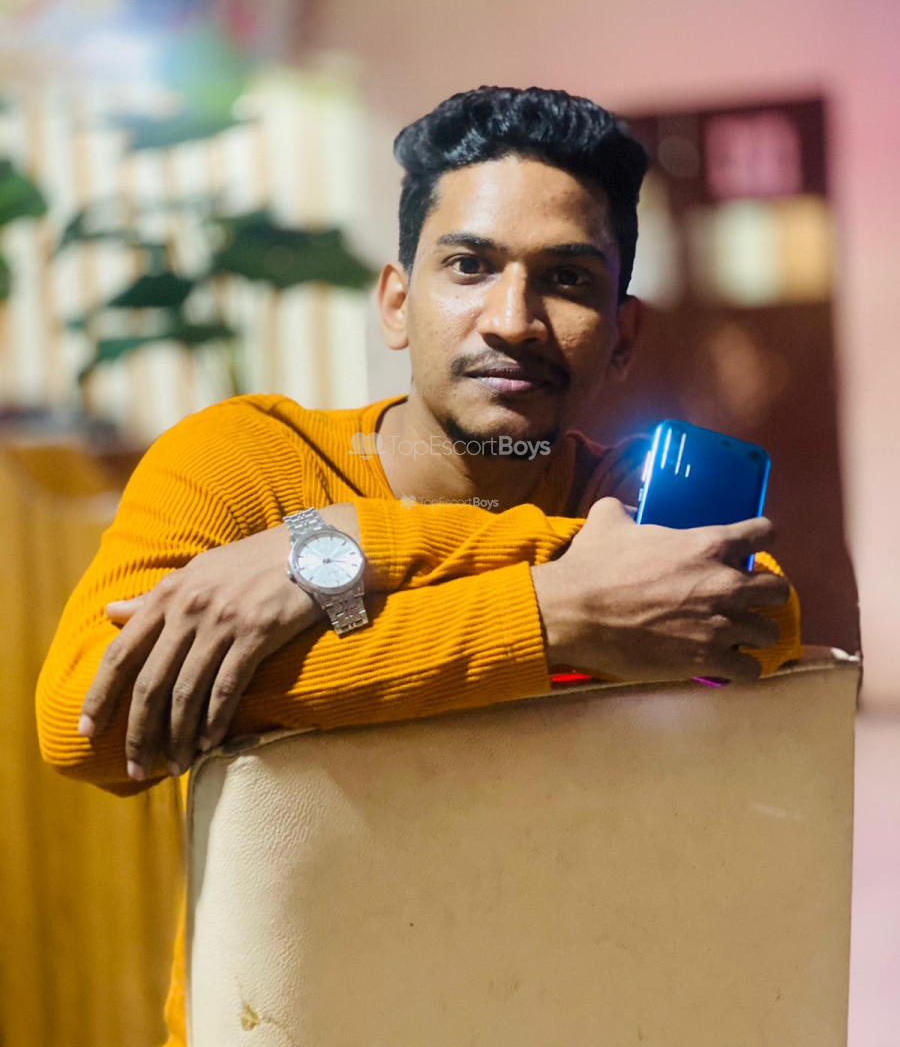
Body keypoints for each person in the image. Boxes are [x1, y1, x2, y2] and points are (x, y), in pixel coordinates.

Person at [36, 85, 800, 1046]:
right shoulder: (246, 464)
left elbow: (765, 624)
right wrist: (560, 611)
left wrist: (349, 549)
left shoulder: (636, 505)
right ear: (397, 303)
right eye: (469, 266)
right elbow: (89, 718)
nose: (513, 319)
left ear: (623, 336)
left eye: (567, 279)